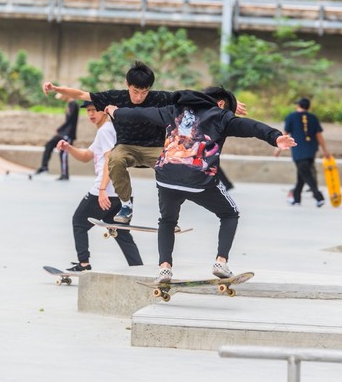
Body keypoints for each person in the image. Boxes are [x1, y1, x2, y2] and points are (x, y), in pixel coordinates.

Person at [104, 86, 296, 283]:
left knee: (167, 221)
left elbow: (140, 114)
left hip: (166, 177)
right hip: (199, 179)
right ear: (221, 103)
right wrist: (275, 137)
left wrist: (115, 111)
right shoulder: (220, 116)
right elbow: (251, 127)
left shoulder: (173, 111)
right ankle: (221, 262)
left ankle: (164, 269)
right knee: (230, 214)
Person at [42, 61, 244, 224]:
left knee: (175, 165)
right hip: (126, 146)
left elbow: (192, 98)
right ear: (128, 86)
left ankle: (170, 216)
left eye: (144, 92)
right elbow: (80, 94)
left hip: (156, 148)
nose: (139, 97)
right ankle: (126, 204)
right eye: (135, 91)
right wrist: (54, 88)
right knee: (114, 158)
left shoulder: (160, 98)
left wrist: (228, 103)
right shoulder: (115, 96)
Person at [56, 101, 143, 272]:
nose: (90, 114)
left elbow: (111, 160)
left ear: (104, 111)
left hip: (106, 190)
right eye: (88, 111)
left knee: (79, 222)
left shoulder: (105, 130)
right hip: (120, 192)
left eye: (94, 110)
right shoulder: (108, 130)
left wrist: (102, 190)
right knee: (120, 232)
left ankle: (84, 264)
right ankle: (139, 268)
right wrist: (68, 148)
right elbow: (87, 156)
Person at [277, 97, 330, 207]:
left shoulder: (291, 117)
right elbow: (319, 135)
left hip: (298, 151)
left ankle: (318, 197)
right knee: (302, 174)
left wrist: (278, 148)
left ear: (298, 106)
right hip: (311, 150)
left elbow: (284, 134)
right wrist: (325, 150)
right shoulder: (313, 118)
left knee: (306, 174)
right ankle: (296, 199)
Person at [35, 94, 79, 180]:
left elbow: (70, 121)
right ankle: (44, 166)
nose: (62, 98)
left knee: (63, 153)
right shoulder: (69, 104)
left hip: (68, 134)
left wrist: (59, 130)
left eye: (62, 96)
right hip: (63, 133)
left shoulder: (74, 105)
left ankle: (65, 174)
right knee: (49, 145)